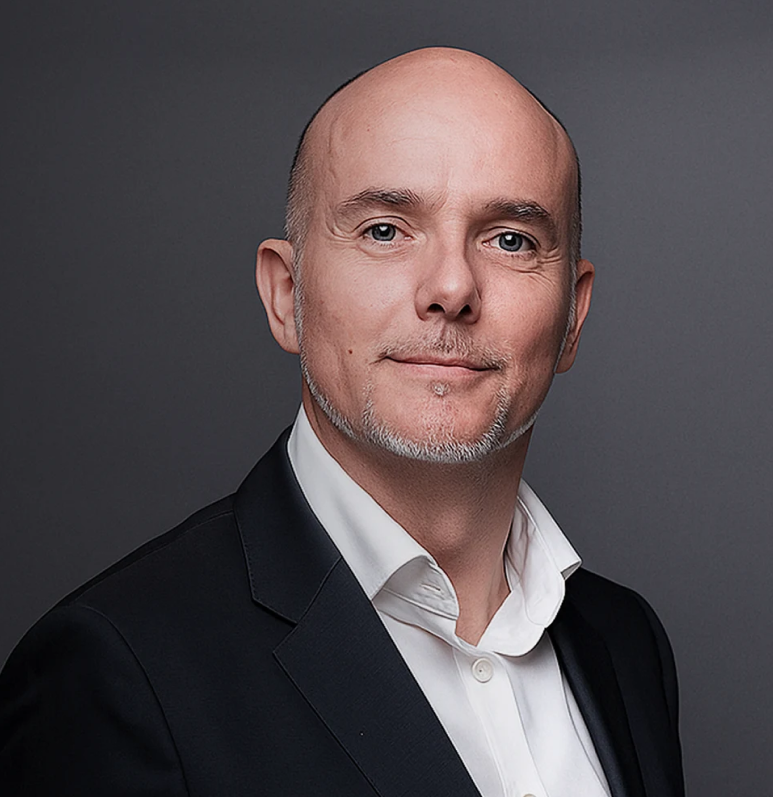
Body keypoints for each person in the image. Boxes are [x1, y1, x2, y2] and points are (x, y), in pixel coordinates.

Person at [0, 47, 684, 797]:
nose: (451, 287)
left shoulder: (624, 643)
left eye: (510, 239)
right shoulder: (120, 668)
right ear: (285, 295)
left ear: (573, 319)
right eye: (385, 231)